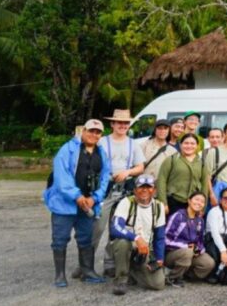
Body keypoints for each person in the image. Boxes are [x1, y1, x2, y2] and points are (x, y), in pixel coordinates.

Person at [45, 118, 111, 287]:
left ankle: (87, 271)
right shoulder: (67, 150)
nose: (94, 135)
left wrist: (95, 198)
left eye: (98, 132)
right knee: (60, 239)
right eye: (91, 131)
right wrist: (77, 196)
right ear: (83, 131)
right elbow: (61, 177)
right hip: (65, 204)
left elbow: (105, 178)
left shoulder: (101, 153)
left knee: (85, 238)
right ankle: (60, 275)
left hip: (88, 204)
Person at [94, 109, 144, 278]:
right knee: (97, 227)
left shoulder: (133, 144)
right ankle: (85, 263)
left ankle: (110, 264)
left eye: (125, 123)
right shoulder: (101, 142)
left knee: (115, 228)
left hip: (124, 191)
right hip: (104, 191)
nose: (122, 126)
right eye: (119, 123)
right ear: (112, 124)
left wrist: (127, 172)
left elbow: (140, 167)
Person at [107, 173, 166, 295]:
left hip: (144, 252)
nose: (145, 190)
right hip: (128, 246)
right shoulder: (126, 202)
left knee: (158, 284)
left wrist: (159, 258)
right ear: (135, 190)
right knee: (123, 243)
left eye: (148, 187)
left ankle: (133, 270)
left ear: (154, 190)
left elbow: (160, 237)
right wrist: (136, 238)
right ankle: (121, 280)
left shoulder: (159, 207)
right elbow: (115, 227)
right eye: (141, 187)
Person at [163, 191, 214, 286]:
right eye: (196, 199)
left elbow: (200, 241)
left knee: (209, 263)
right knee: (187, 252)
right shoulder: (178, 216)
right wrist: (185, 246)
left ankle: (185, 275)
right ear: (189, 201)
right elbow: (165, 239)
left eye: (202, 201)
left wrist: (199, 250)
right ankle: (172, 277)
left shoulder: (200, 220)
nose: (199, 203)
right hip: (172, 253)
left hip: (190, 253)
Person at [156, 133, 211, 216]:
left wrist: (203, 206)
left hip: (194, 204)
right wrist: (163, 203)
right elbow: (161, 181)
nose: (189, 146)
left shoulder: (201, 162)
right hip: (174, 202)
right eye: (186, 143)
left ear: (197, 146)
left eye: (192, 144)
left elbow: (204, 185)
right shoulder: (171, 160)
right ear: (180, 144)